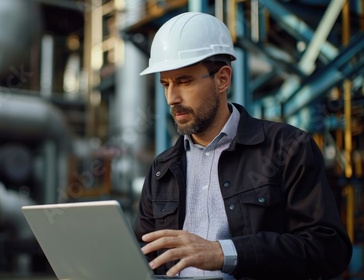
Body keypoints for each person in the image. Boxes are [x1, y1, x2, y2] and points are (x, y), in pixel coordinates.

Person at [134, 12, 352, 279]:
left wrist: (224, 253)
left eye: (184, 81)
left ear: (223, 79)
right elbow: (141, 257)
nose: (171, 98)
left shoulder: (287, 149)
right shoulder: (162, 169)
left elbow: (328, 250)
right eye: (165, 84)